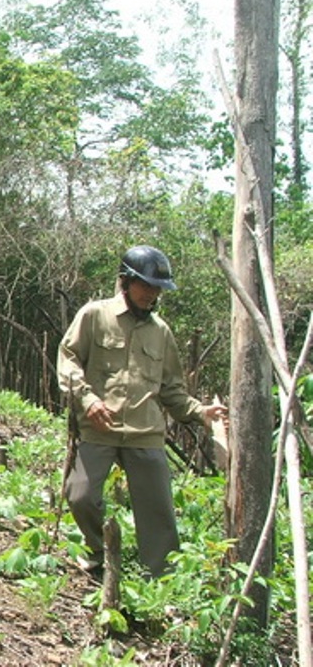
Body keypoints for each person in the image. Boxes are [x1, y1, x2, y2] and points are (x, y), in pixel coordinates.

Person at [57, 245, 228, 577]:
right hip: (99, 428)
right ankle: (99, 552)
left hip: (145, 433)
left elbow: (172, 391)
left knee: (158, 514)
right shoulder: (94, 315)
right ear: (125, 281)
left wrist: (201, 412)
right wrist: (88, 400)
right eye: (145, 285)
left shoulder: (161, 332)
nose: (151, 294)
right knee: (80, 496)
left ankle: (160, 580)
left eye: (157, 288)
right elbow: (69, 359)